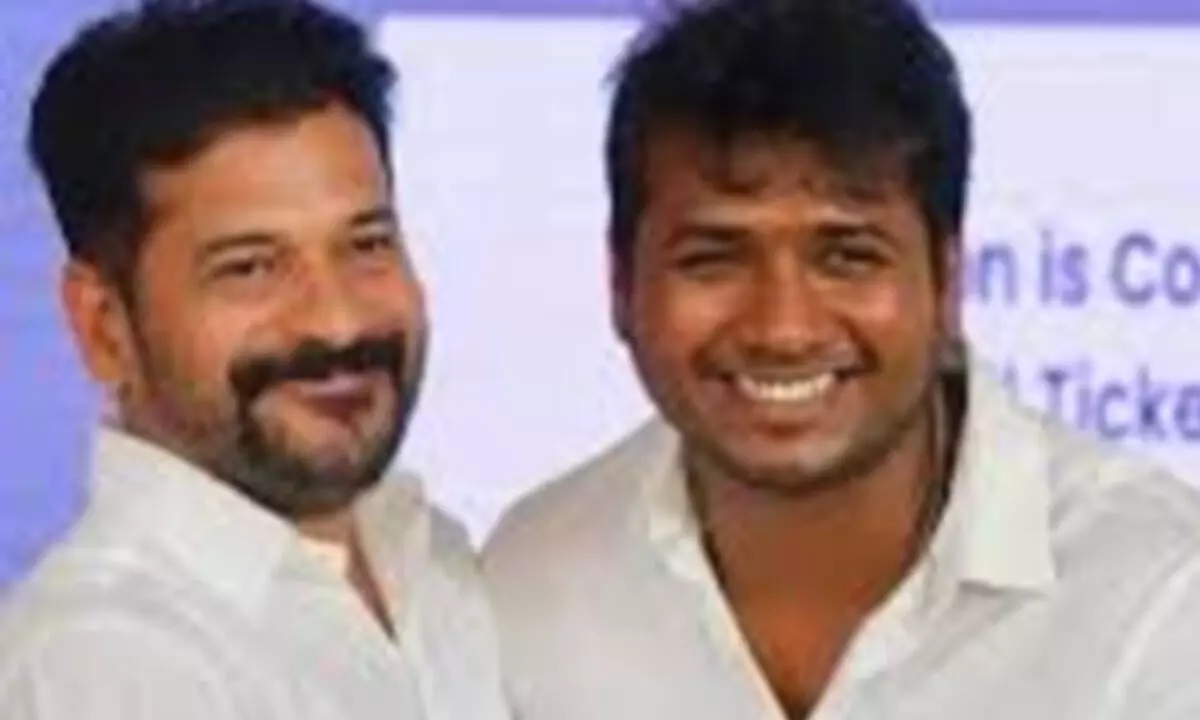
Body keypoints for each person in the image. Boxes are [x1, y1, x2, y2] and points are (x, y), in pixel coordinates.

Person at [483, 0, 1200, 718]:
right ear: (619, 284)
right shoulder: (532, 584)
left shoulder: (1158, 598)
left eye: (848, 257)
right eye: (713, 259)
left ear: (948, 282)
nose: (783, 330)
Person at [0, 1, 508, 718]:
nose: (337, 321)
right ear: (104, 325)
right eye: (250, 267)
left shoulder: (430, 560)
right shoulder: (105, 664)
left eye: (366, 244)